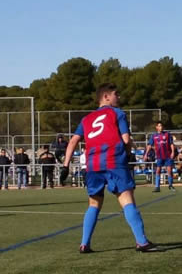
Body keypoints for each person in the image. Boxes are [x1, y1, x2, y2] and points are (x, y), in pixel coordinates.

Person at [63, 83, 158, 253]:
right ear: (106, 96)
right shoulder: (117, 113)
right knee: (127, 199)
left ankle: (84, 244)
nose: (119, 97)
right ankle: (142, 241)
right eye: (116, 94)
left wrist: (65, 166)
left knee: (94, 203)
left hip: (93, 165)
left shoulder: (86, 119)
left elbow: (72, 142)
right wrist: (128, 154)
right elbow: (126, 139)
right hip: (114, 161)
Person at [148, 121, 176, 193]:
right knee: (158, 170)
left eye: (162, 126)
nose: (161, 127)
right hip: (159, 156)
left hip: (168, 155)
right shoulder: (153, 136)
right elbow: (149, 145)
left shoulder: (167, 134)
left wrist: (173, 152)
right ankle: (157, 187)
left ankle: (170, 185)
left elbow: (171, 144)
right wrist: (146, 154)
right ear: (156, 127)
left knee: (169, 170)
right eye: (159, 126)